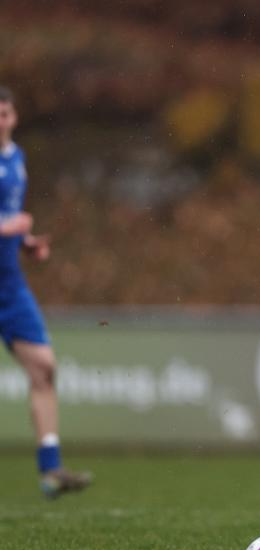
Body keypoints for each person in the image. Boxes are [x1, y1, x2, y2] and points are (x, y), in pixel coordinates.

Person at [0, 86, 92, 499]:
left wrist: (26, 241)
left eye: (4, 113)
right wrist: (8, 227)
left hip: (9, 284)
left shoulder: (16, 159)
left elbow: (10, 218)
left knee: (43, 367)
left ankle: (51, 470)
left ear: (14, 117)